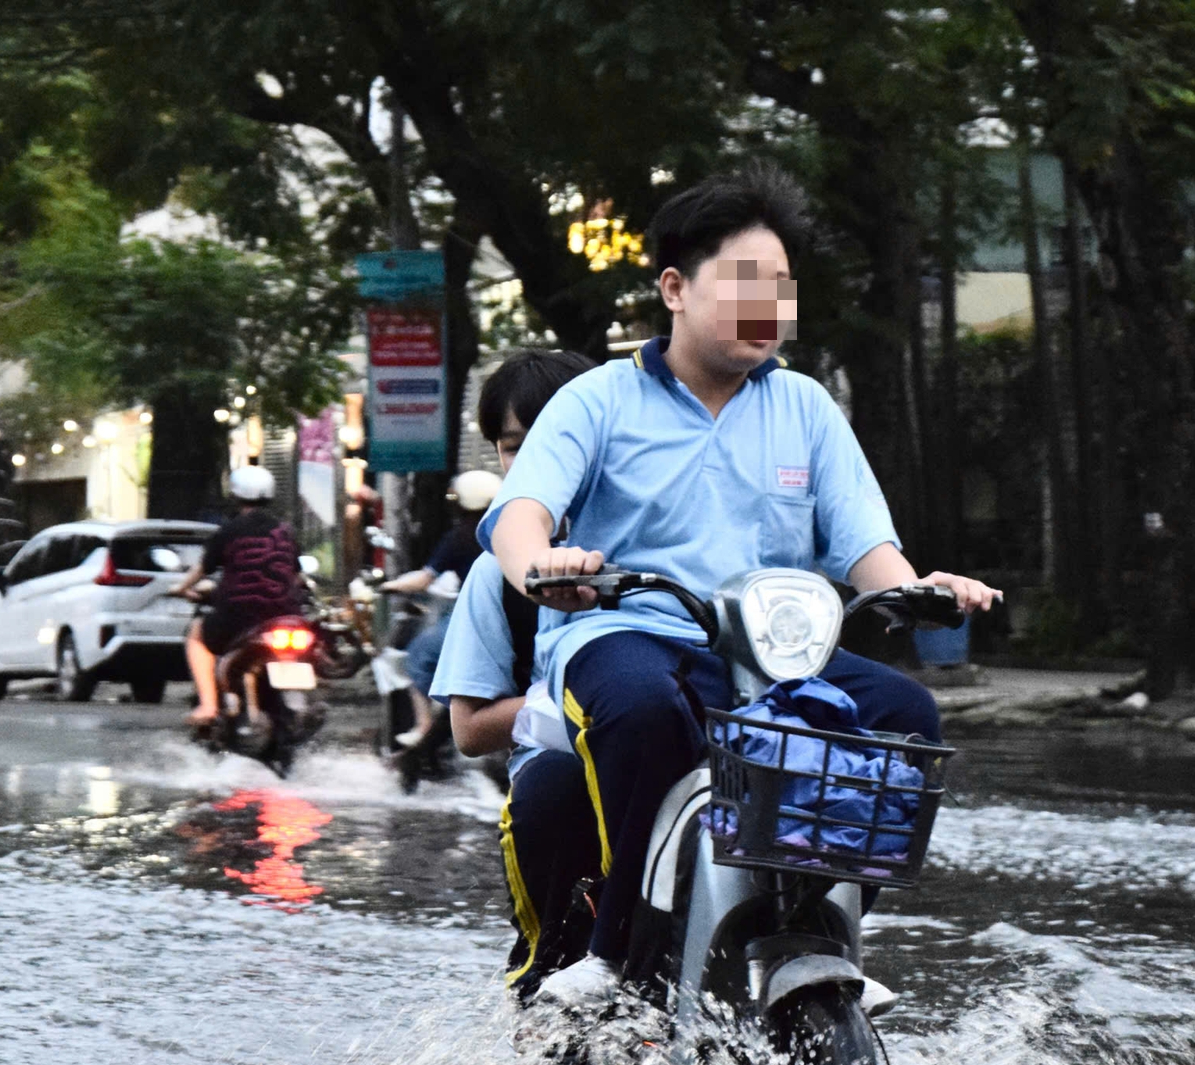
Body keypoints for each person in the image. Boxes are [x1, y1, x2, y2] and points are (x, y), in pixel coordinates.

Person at [484, 163, 1001, 1008]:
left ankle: (822, 924)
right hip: (625, 634)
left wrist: (916, 588)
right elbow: (519, 517)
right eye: (746, 284)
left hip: (774, 652)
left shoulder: (805, 406)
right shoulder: (597, 400)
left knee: (905, 718)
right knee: (644, 709)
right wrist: (546, 569)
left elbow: (866, 543)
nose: (769, 307)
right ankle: (614, 954)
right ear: (675, 288)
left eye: (782, 288)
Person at [427, 349, 597, 994]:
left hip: (674, 763)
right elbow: (469, 729)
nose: (531, 464)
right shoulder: (494, 571)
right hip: (566, 779)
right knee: (553, 786)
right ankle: (547, 974)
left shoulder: (665, 536)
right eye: (512, 446)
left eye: (555, 440)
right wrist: (569, 711)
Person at [172, 465, 301, 727]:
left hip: (240, 615)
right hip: (287, 615)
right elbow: (295, 574)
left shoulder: (229, 531)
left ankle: (208, 706)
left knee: (197, 636)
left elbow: (202, 569)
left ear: (235, 495)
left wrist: (181, 588)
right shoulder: (286, 531)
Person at [381, 470, 498, 750]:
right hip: (515, 616)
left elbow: (424, 578)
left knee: (419, 656)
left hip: (478, 618)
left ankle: (423, 727)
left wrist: (391, 586)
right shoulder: (511, 531)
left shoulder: (461, 537)